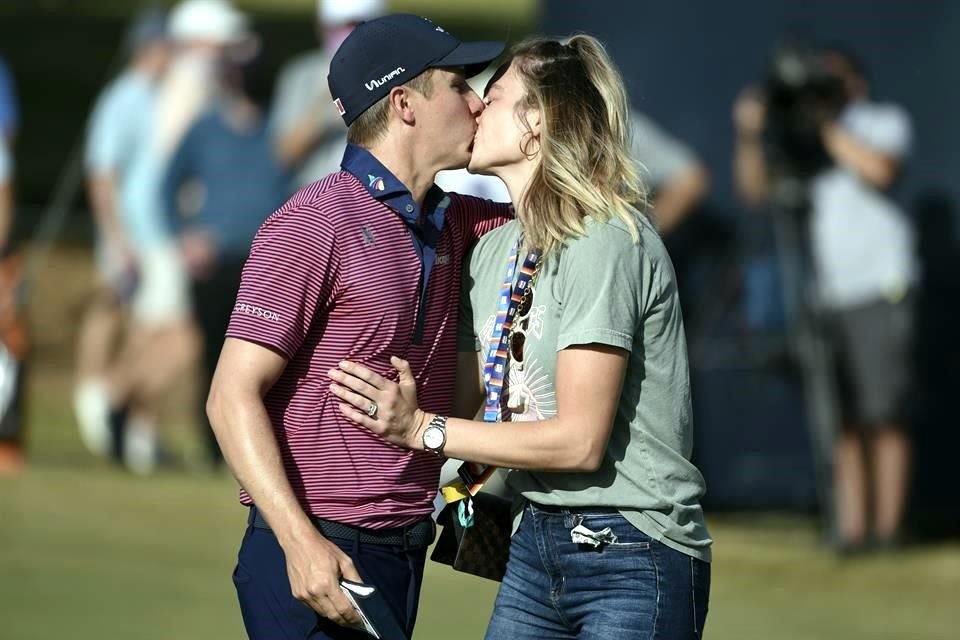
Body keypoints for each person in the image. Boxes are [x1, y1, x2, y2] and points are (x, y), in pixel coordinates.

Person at [329, 34, 712, 639]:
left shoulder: (603, 240)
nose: (475, 107)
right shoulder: (492, 250)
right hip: (534, 540)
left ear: (537, 122)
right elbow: (469, 405)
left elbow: (580, 442)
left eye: (495, 95)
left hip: (632, 548)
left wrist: (420, 429)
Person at [205, 14, 508, 639]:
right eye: (458, 85)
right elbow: (229, 395)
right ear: (404, 104)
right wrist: (299, 543)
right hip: (317, 548)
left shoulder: (454, 220)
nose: (477, 103)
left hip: (402, 545)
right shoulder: (314, 220)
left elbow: (565, 205)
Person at [733, 48, 915, 553]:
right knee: (842, 420)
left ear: (855, 84)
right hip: (825, 295)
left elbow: (880, 171)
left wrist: (826, 123)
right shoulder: (801, 143)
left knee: (883, 413)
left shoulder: (879, 121)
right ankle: (852, 532)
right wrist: (751, 133)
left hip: (879, 287)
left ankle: (889, 530)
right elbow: (753, 192)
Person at [163, 45, 289, 468]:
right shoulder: (206, 128)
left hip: (266, 264)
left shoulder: (278, 130)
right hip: (213, 263)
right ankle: (212, 446)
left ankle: (252, 445)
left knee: (262, 359)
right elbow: (165, 187)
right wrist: (183, 236)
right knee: (211, 354)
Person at [73, 9, 172, 465]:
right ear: (149, 49)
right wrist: (115, 237)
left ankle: (128, 415)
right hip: (125, 231)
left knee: (140, 323)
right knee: (110, 308)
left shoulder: (159, 96)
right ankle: (92, 394)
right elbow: (102, 174)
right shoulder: (125, 98)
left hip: (152, 231)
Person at [270, 0, 385, 190]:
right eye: (337, 25)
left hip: (374, 196)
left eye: (356, 24)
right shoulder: (303, 74)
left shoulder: (392, 71)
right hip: (315, 198)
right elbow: (283, 154)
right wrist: (324, 108)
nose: (347, 32)